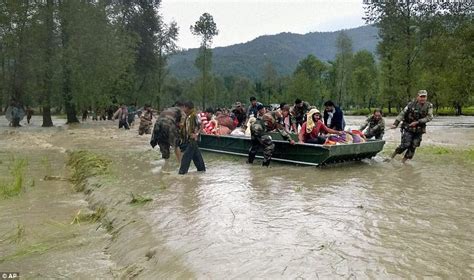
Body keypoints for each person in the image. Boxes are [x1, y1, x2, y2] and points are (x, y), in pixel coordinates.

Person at [390, 90, 433, 163]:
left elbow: (430, 117)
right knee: (405, 144)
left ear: (426, 97)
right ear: (417, 97)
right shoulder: (410, 105)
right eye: (421, 96)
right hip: (408, 128)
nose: (423, 98)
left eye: (424, 97)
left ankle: (403, 161)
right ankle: (392, 156)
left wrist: (418, 122)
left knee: (414, 146)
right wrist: (396, 123)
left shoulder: (429, 105)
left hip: (419, 129)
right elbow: (402, 114)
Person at [178, 101, 206, 175]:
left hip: (192, 140)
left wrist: (196, 134)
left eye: (184, 107)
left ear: (187, 108)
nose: (183, 109)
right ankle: (202, 172)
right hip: (189, 141)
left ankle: (181, 175)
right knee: (198, 160)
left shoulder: (194, 116)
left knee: (185, 159)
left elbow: (202, 125)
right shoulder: (188, 116)